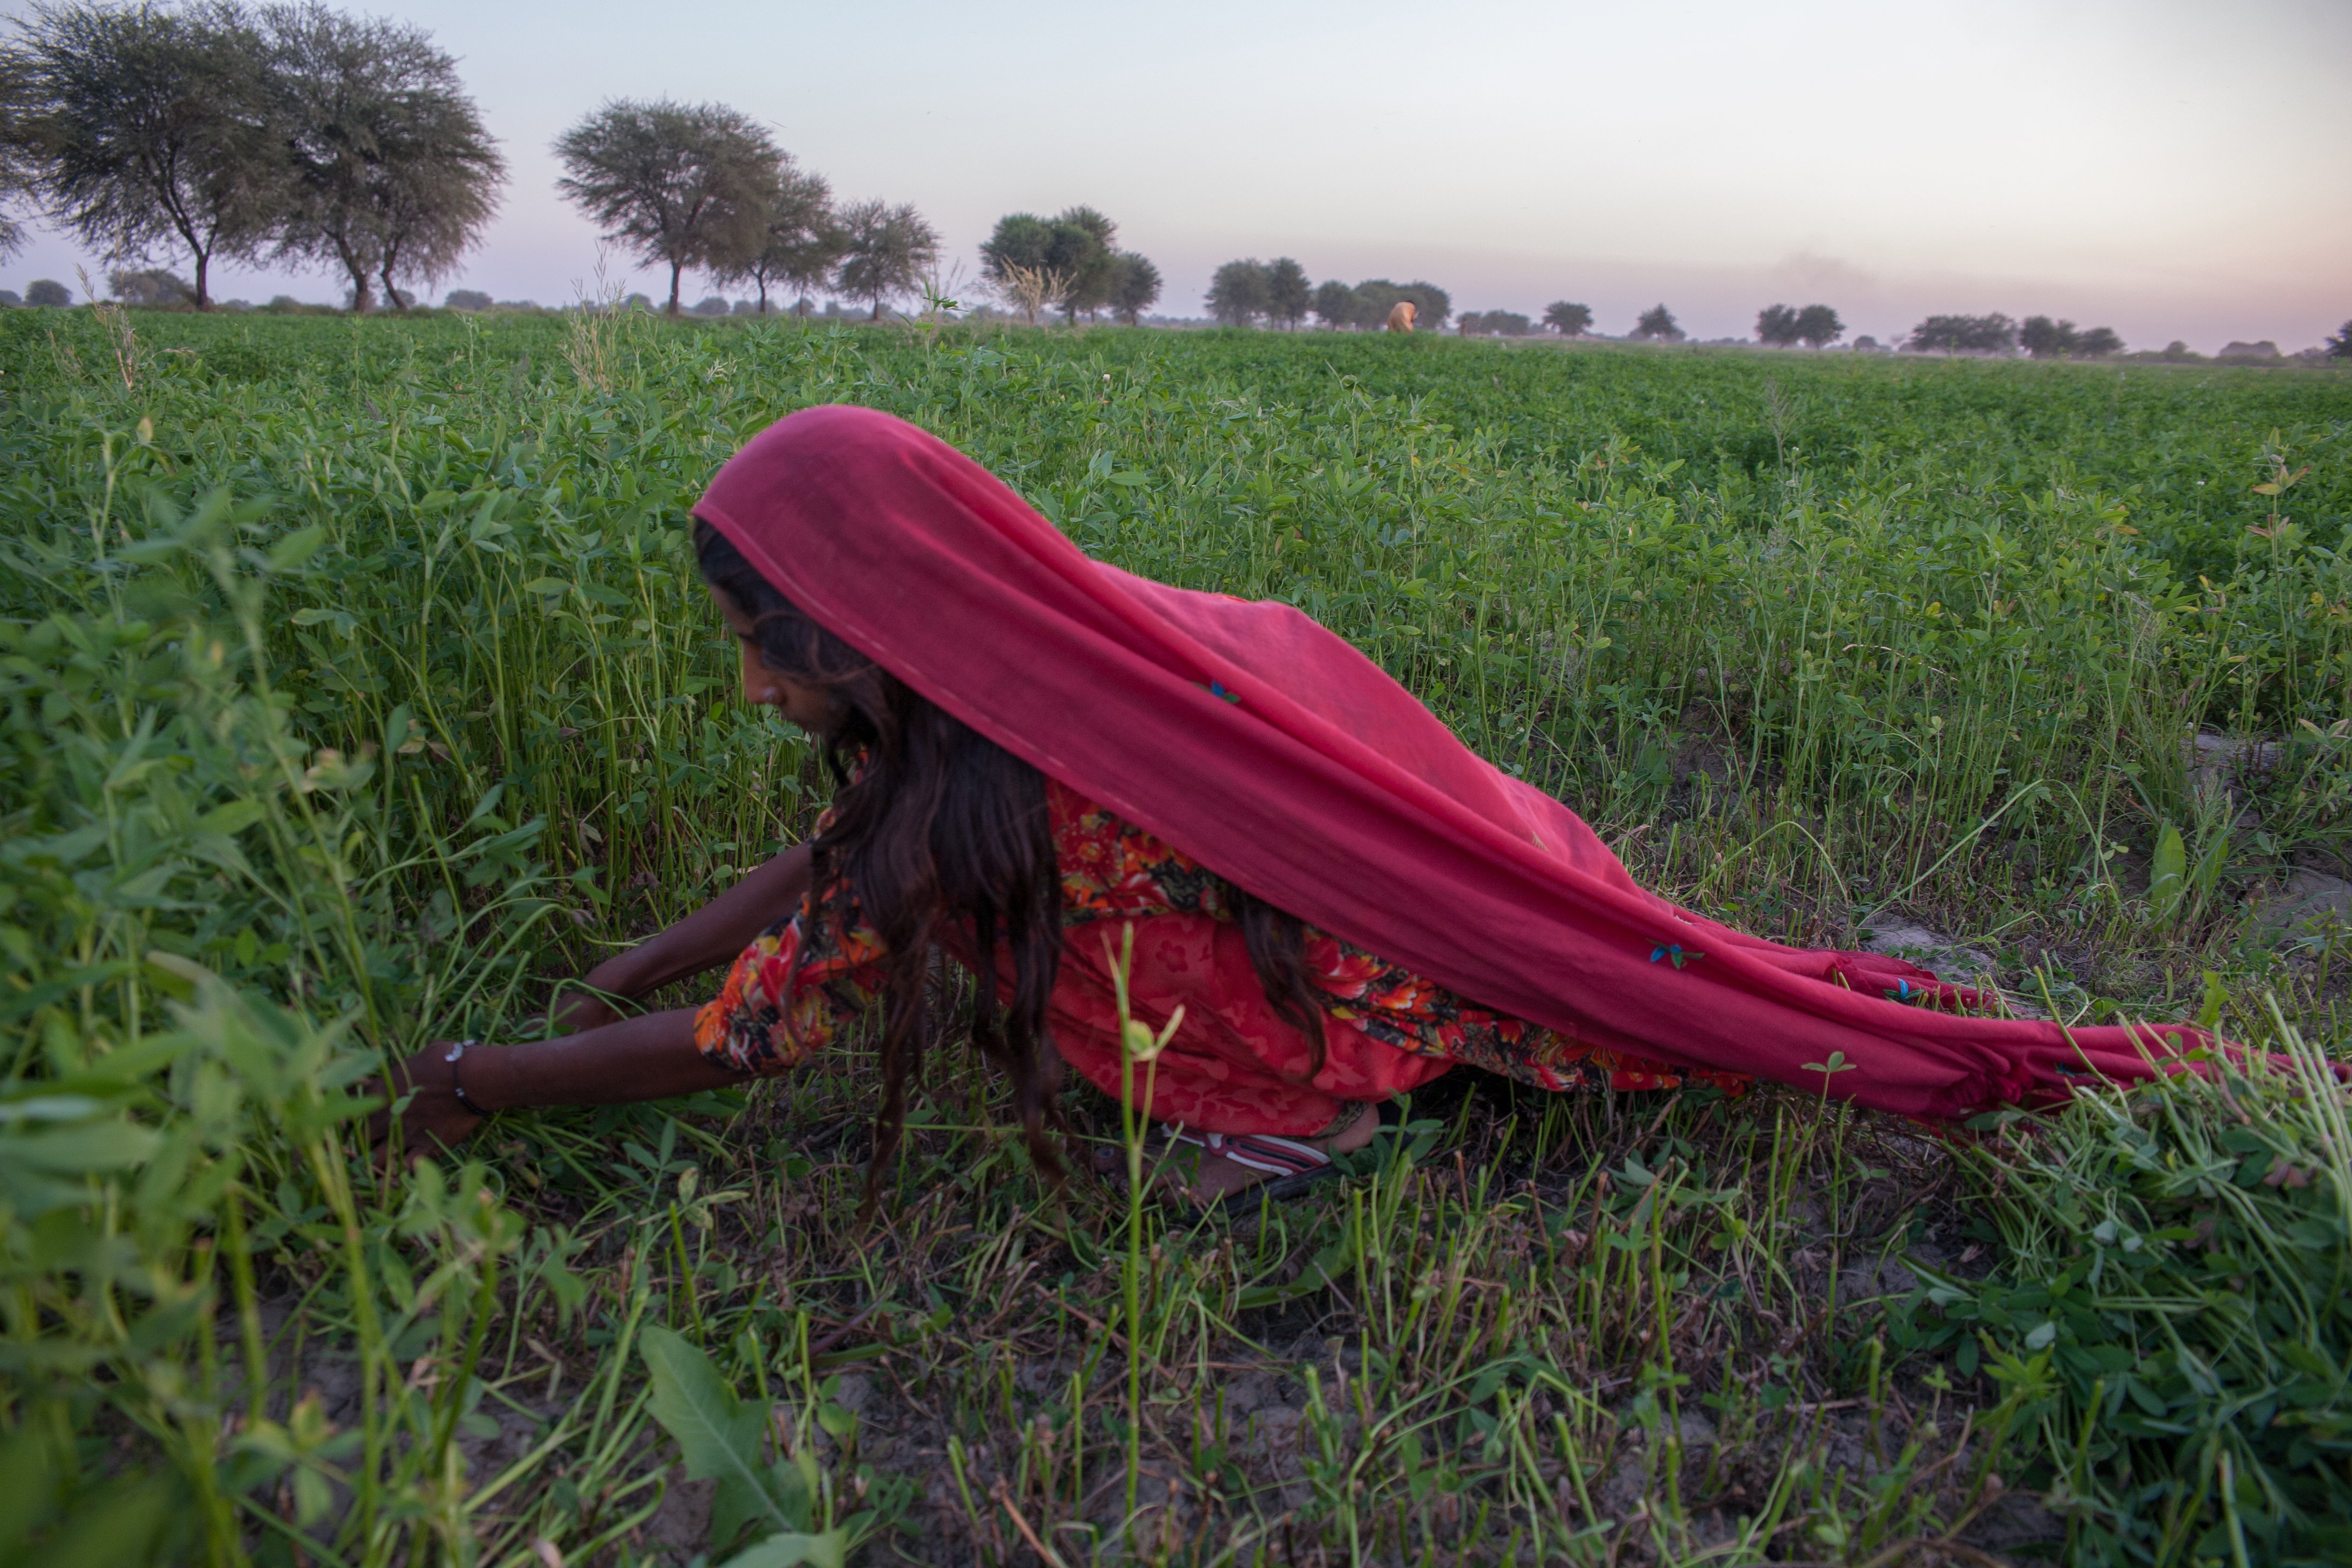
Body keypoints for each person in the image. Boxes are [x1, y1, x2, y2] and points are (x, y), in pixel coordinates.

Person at [378, 406, 2211, 1206]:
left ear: (873, 623)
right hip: (1485, 880)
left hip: (1359, 1005)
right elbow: (842, 852)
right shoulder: (1068, 644)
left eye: (767, 651)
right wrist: (635, 952)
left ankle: (1297, 1132)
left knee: (1076, 985)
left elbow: (751, 1032)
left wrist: (475, 1083)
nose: (758, 691)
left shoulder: (1001, 770)